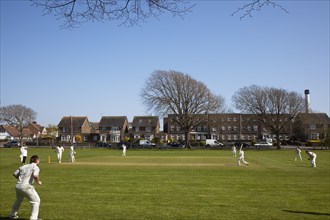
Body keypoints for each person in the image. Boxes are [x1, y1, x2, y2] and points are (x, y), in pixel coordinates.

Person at [9, 155, 42, 220]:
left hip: (18, 186)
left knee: (18, 200)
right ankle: (33, 218)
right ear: (37, 161)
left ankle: (12, 214)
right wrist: (38, 181)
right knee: (36, 201)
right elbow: (35, 175)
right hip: (26, 187)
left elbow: (15, 174)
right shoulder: (35, 166)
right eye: (38, 160)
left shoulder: (23, 166)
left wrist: (21, 179)